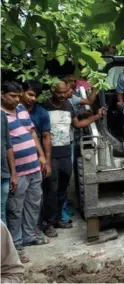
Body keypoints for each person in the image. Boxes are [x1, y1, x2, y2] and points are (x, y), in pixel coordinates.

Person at [41, 82, 104, 238]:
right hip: (50, 154)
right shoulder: (43, 106)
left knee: (63, 188)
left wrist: (96, 116)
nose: (63, 95)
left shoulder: (68, 105)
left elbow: (77, 124)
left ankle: (57, 219)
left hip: (65, 152)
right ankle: (47, 223)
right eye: (59, 93)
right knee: (51, 190)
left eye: (64, 92)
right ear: (52, 91)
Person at [2, 81, 47, 263]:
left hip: (33, 165)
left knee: (33, 203)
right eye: (12, 96)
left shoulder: (21, 108)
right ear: (1, 94)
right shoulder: (0, 115)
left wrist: (41, 155)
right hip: (18, 170)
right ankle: (17, 244)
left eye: (17, 96)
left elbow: (32, 132)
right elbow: (5, 145)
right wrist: (12, 172)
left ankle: (29, 236)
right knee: (15, 208)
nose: (16, 100)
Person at [1, 110, 17, 225]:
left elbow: (8, 145)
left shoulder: (2, 115)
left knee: (2, 212)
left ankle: (4, 242)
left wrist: (13, 173)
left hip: (4, 173)